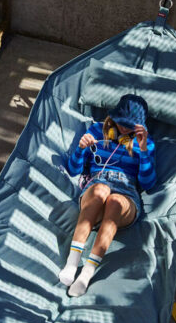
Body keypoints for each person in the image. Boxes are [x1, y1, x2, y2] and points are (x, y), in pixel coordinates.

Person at [60, 94, 156, 297]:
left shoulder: (145, 143)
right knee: (101, 190)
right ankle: (72, 262)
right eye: (122, 123)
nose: (125, 129)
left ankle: (86, 274)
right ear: (113, 117)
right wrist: (81, 149)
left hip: (127, 193)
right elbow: (73, 169)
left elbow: (148, 184)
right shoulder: (96, 130)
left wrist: (143, 152)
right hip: (97, 185)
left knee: (115, 201)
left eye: (131, 126)